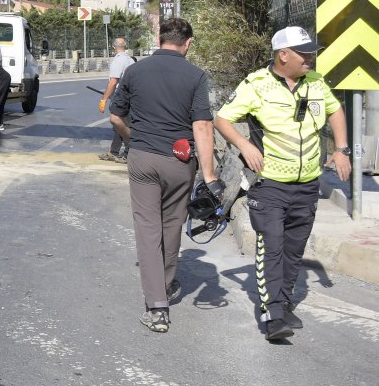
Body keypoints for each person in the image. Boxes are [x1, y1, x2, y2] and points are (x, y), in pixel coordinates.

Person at [214, 26, 351, 341]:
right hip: (270, 182)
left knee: (293, 248)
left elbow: (335, 110)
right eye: (304, 53)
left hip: (306, 183)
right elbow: (222, 118)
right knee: (271, 245)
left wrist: (341, 149)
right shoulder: (256, 85)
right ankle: (273, 314)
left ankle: (284, 301)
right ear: (283, 55)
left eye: (311, 51)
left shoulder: (315, 83)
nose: (311, 58)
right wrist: (245, 146)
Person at [108, 17, 217, 334]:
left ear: (159, 38)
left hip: (142, 158)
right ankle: (166, 286)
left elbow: (116, 116)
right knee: (172, 226)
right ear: (188, 43)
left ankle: (157, 307)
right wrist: (209, 176)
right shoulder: (196, 75)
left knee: (147, 230)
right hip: (180, 161)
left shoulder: (134, 70)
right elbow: (202, 126)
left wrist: (133, 141)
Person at [99, 37, 136, 163]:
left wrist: (104, 99)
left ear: (113, 47)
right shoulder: (130, 60)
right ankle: (114, 152)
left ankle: (128, 153)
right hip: (131, 95)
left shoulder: (118, 60)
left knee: (120, 123)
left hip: (121, 95)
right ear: (125, 46)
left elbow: (113, 81)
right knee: (120, 125)